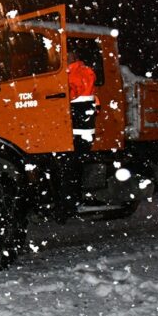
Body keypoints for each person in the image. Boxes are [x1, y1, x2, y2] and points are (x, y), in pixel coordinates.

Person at [54, 51, 98, 223]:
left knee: (71, 167)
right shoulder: (76, 71)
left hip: (80, 129)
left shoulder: (80, 72)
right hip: (79, 127)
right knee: (71, 167)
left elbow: (72, 92)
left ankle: (69, 206)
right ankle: (69, 205)